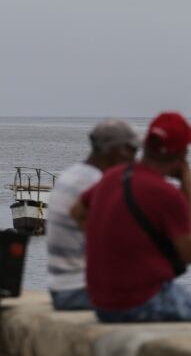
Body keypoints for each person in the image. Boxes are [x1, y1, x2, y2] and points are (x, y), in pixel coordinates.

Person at [71, 112, 191, 328]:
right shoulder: (166, 194)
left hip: (102, 303)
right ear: (181, 154)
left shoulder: (115, 175)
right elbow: (190, 252)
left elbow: (76, 212)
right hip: (142, 303)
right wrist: (187, 187)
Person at [47, 119, 140, 310]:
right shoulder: (98, 183)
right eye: (132, 150)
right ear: (116, 151)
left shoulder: (70, 174)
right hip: (82, 291)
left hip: (61, 287)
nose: (135, 159)